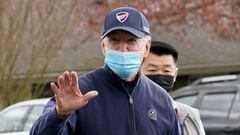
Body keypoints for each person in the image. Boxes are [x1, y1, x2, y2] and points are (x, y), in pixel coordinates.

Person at [30, 7, 179, 135]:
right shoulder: (78, 92)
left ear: (146, 48)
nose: (122, 48)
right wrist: (59, 115)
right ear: (103, 47)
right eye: (114, 40)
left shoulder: (161, 99)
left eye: (131, 41)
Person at [140, 41, 206, 135]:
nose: (160, 75)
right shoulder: (128, 112)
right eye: (152, 70)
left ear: (175, 74)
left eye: (166, 70)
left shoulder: (190, 115)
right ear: (138, 72)